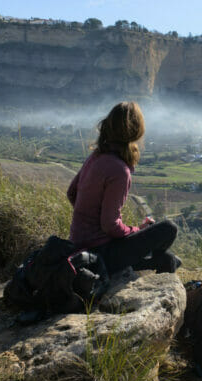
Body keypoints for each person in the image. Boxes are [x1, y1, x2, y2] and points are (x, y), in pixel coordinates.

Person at [67, 101, 181, 274]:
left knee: (169, 260)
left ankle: (151, 261)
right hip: (101, 252)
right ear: (136, 131)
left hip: (79, 244)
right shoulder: (119, 170)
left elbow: (71, 193)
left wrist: (88, 221)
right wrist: (137, 230)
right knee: (169, 229)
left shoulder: (96, 156)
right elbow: (109, 225)